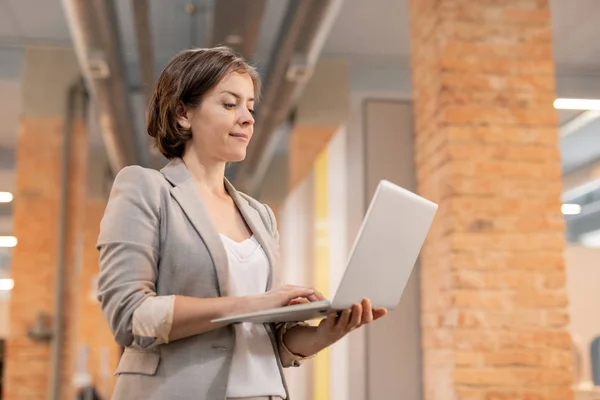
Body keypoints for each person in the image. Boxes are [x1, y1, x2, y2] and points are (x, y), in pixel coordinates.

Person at [96, 46, 387, 400]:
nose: (248, 118)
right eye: (230, 104)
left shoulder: (259, 214)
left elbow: (271, 339)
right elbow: (130, 315)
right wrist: (252, 303)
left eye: (250, 106)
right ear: (182, 114)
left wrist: (325, 333)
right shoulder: (146, 188)